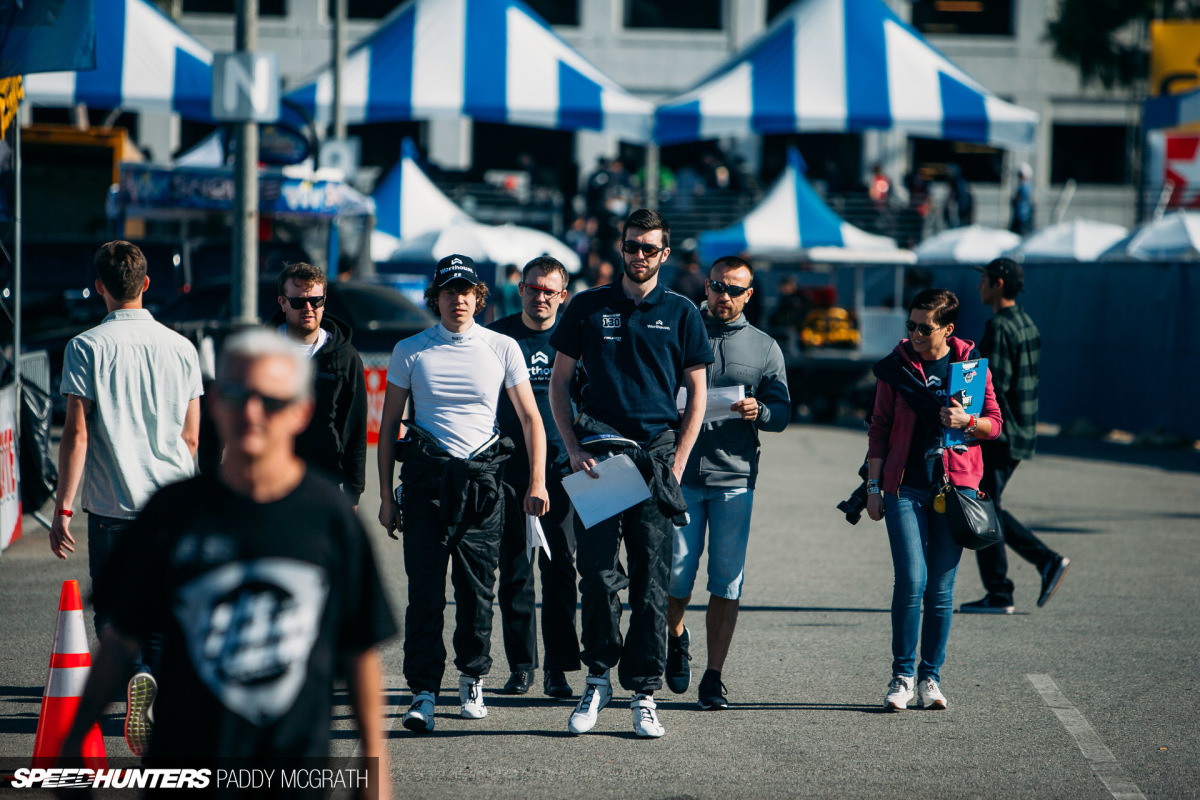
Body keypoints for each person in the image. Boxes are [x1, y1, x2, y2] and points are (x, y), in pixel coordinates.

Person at [60, 331, 395, 796]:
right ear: (215, 403)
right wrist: (75, 735)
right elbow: (121, 640)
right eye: (237, 395)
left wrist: (374, 768)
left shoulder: (330, 518)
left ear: (302, 411)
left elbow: (358, 650)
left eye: (272, 401)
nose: (252, 413)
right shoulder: (171, 513)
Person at [549, 208, 713, 738]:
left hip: (656, 458)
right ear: (620, 248)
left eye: (649, 248)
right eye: (631, 246)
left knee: (650, 582)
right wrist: (572, 446)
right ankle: (597, 679)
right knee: (597, 577)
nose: (638, 255)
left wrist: (679, 461)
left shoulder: (684, 311)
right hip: (600, 457)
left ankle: (644, 692)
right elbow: (558, 384)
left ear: (665, 254)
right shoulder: (589, 306)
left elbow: (697, 396)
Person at [377, 254, 549, 732]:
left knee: (477, 590)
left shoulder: (502, 347)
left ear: (479, 297)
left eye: (467, 292)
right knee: (425, 593)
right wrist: (387, 500)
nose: (458, 300)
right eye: (450, 292)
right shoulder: (410, 349)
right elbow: (389, 425)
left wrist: (536, 481)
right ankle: (424, 691)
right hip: (426, 484)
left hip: (482, 485)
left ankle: (471, 677)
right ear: (436, 297)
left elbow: (532, 419)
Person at [49, 240, 203, 756]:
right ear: (146, 284)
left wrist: (62, 506)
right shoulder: (182, 346)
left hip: (113, 504)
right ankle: (154, 690)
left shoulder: (85, 346)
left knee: (113, 612)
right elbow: (191, 438)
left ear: (99, 288)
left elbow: (77, 435)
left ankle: (136, 673)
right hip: (172, 503)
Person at [864, 288, 1002, 711]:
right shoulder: (897, 367)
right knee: (911, 581)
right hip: (904, 485)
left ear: (948, 328)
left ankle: (930, 678)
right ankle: (902, 676)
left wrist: (969, 421)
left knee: (941, 590)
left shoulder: (972, 369)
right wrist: (872, 487)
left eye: (925, 327)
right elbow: (879, 426)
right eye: (911, 325)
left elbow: (995, 425)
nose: (916, 334)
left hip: (954, 488)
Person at [665, 256, 791, 709]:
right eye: (718, 286)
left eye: (735, 289)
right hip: (680, 473)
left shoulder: (764, 347)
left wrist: (765, 411)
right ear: (707, 284)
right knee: (676, 577)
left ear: (749, 295)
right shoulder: (680, 328)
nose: (725, 296)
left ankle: (714, 676)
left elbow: (783, 410)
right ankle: (676, 635)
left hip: (734, 475)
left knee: (726, 580)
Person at [488, 256, 581, 699]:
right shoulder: (497, 336)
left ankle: (558, 670)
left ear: (563, 296)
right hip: (509, 470)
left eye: (550, 291)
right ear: (520, 289)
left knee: (561, 571)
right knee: (515, 572)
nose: (540, 297)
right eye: (533, 288)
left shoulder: (575, 337)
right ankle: (522, 665)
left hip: (563, 471)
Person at [960, 258, 1069, 614]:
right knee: (987, 504)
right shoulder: (1027, 323)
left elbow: (993, 385)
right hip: (1021, 431)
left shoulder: (1000, 327)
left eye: (985, 281)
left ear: (999, 285)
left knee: (982, 506)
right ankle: (1007, 586)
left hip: (999, 433)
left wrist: (965, 418)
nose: (980, 287)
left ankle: (1016, 580)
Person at [269, 261, 368, 507]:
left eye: (316, 301)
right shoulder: (262, 351)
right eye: (298, 302)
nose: (308, 308)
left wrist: (353, 494)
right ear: (282, 303)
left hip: (324, 483)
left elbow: (355, 428)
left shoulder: (345, 356)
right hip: (267, 478)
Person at [1009, 163, 1035, 237]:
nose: (1019, 177)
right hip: (1019, 215)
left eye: (1020, 175)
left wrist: (1015, 200)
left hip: (1024, 216)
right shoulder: (1023, 186)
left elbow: (1022, 199)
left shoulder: (1026, 187)